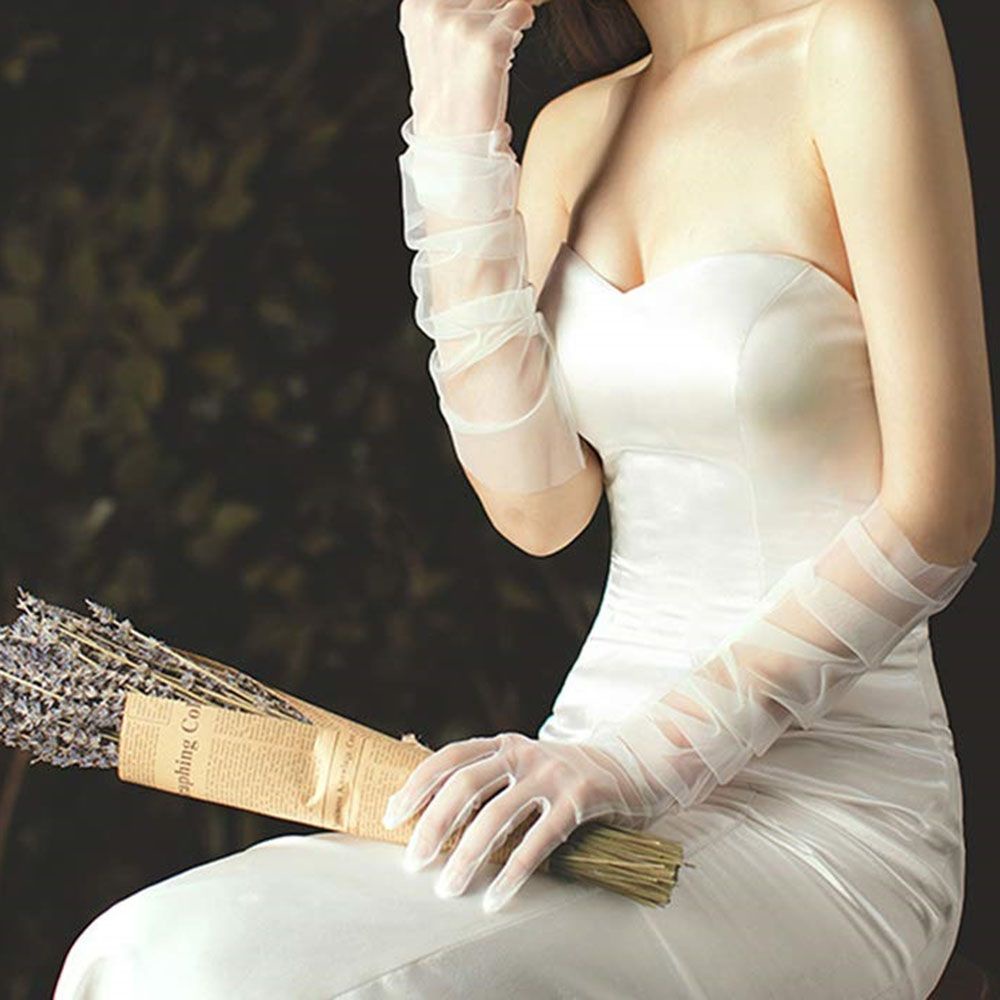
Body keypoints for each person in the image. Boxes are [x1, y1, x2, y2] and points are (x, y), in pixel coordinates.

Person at [54, 0, 993, 997]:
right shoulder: (574, 129)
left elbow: (941, 507)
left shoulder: (855, 36)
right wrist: (452, 112)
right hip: (573, 782)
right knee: (147, 948)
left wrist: (638, 763)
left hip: (826, 814)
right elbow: (539, 508)